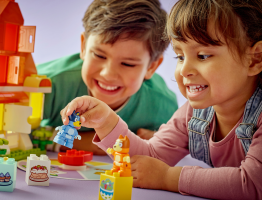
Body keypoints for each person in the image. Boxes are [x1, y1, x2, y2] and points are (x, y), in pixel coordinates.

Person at [60, 0, 262, 199]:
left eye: (202, 56)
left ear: (255, 59)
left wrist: (167, 177)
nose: (184, 70)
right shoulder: (193, 115)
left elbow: (252, 184)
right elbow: (148, 160)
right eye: (180, 56)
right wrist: (105, 121)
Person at [37, 0, 178, 154]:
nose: (108, 74)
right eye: (99, 55)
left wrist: (158, 142)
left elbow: (174, 145)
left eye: (127, 64)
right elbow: (11, 132)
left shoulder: (163, 107)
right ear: (83, 46)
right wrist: (84, 142)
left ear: (151, 67)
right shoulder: (47, 85)